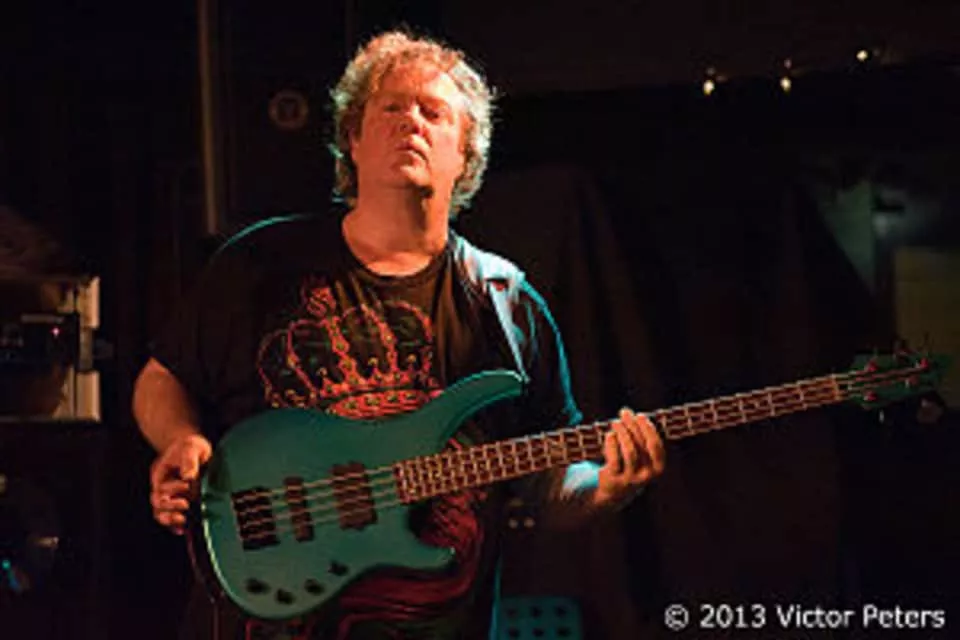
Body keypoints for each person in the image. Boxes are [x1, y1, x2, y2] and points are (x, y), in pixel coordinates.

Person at [132, 30, 665, 640]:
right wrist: (180, 439)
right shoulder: (258, 263)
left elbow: (549, 480)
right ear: (352, 140)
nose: (411, 121)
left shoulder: (506, 303)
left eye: (434, 112)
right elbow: (162, 378)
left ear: (466, 154)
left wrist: (605, 490)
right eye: (390, 107)